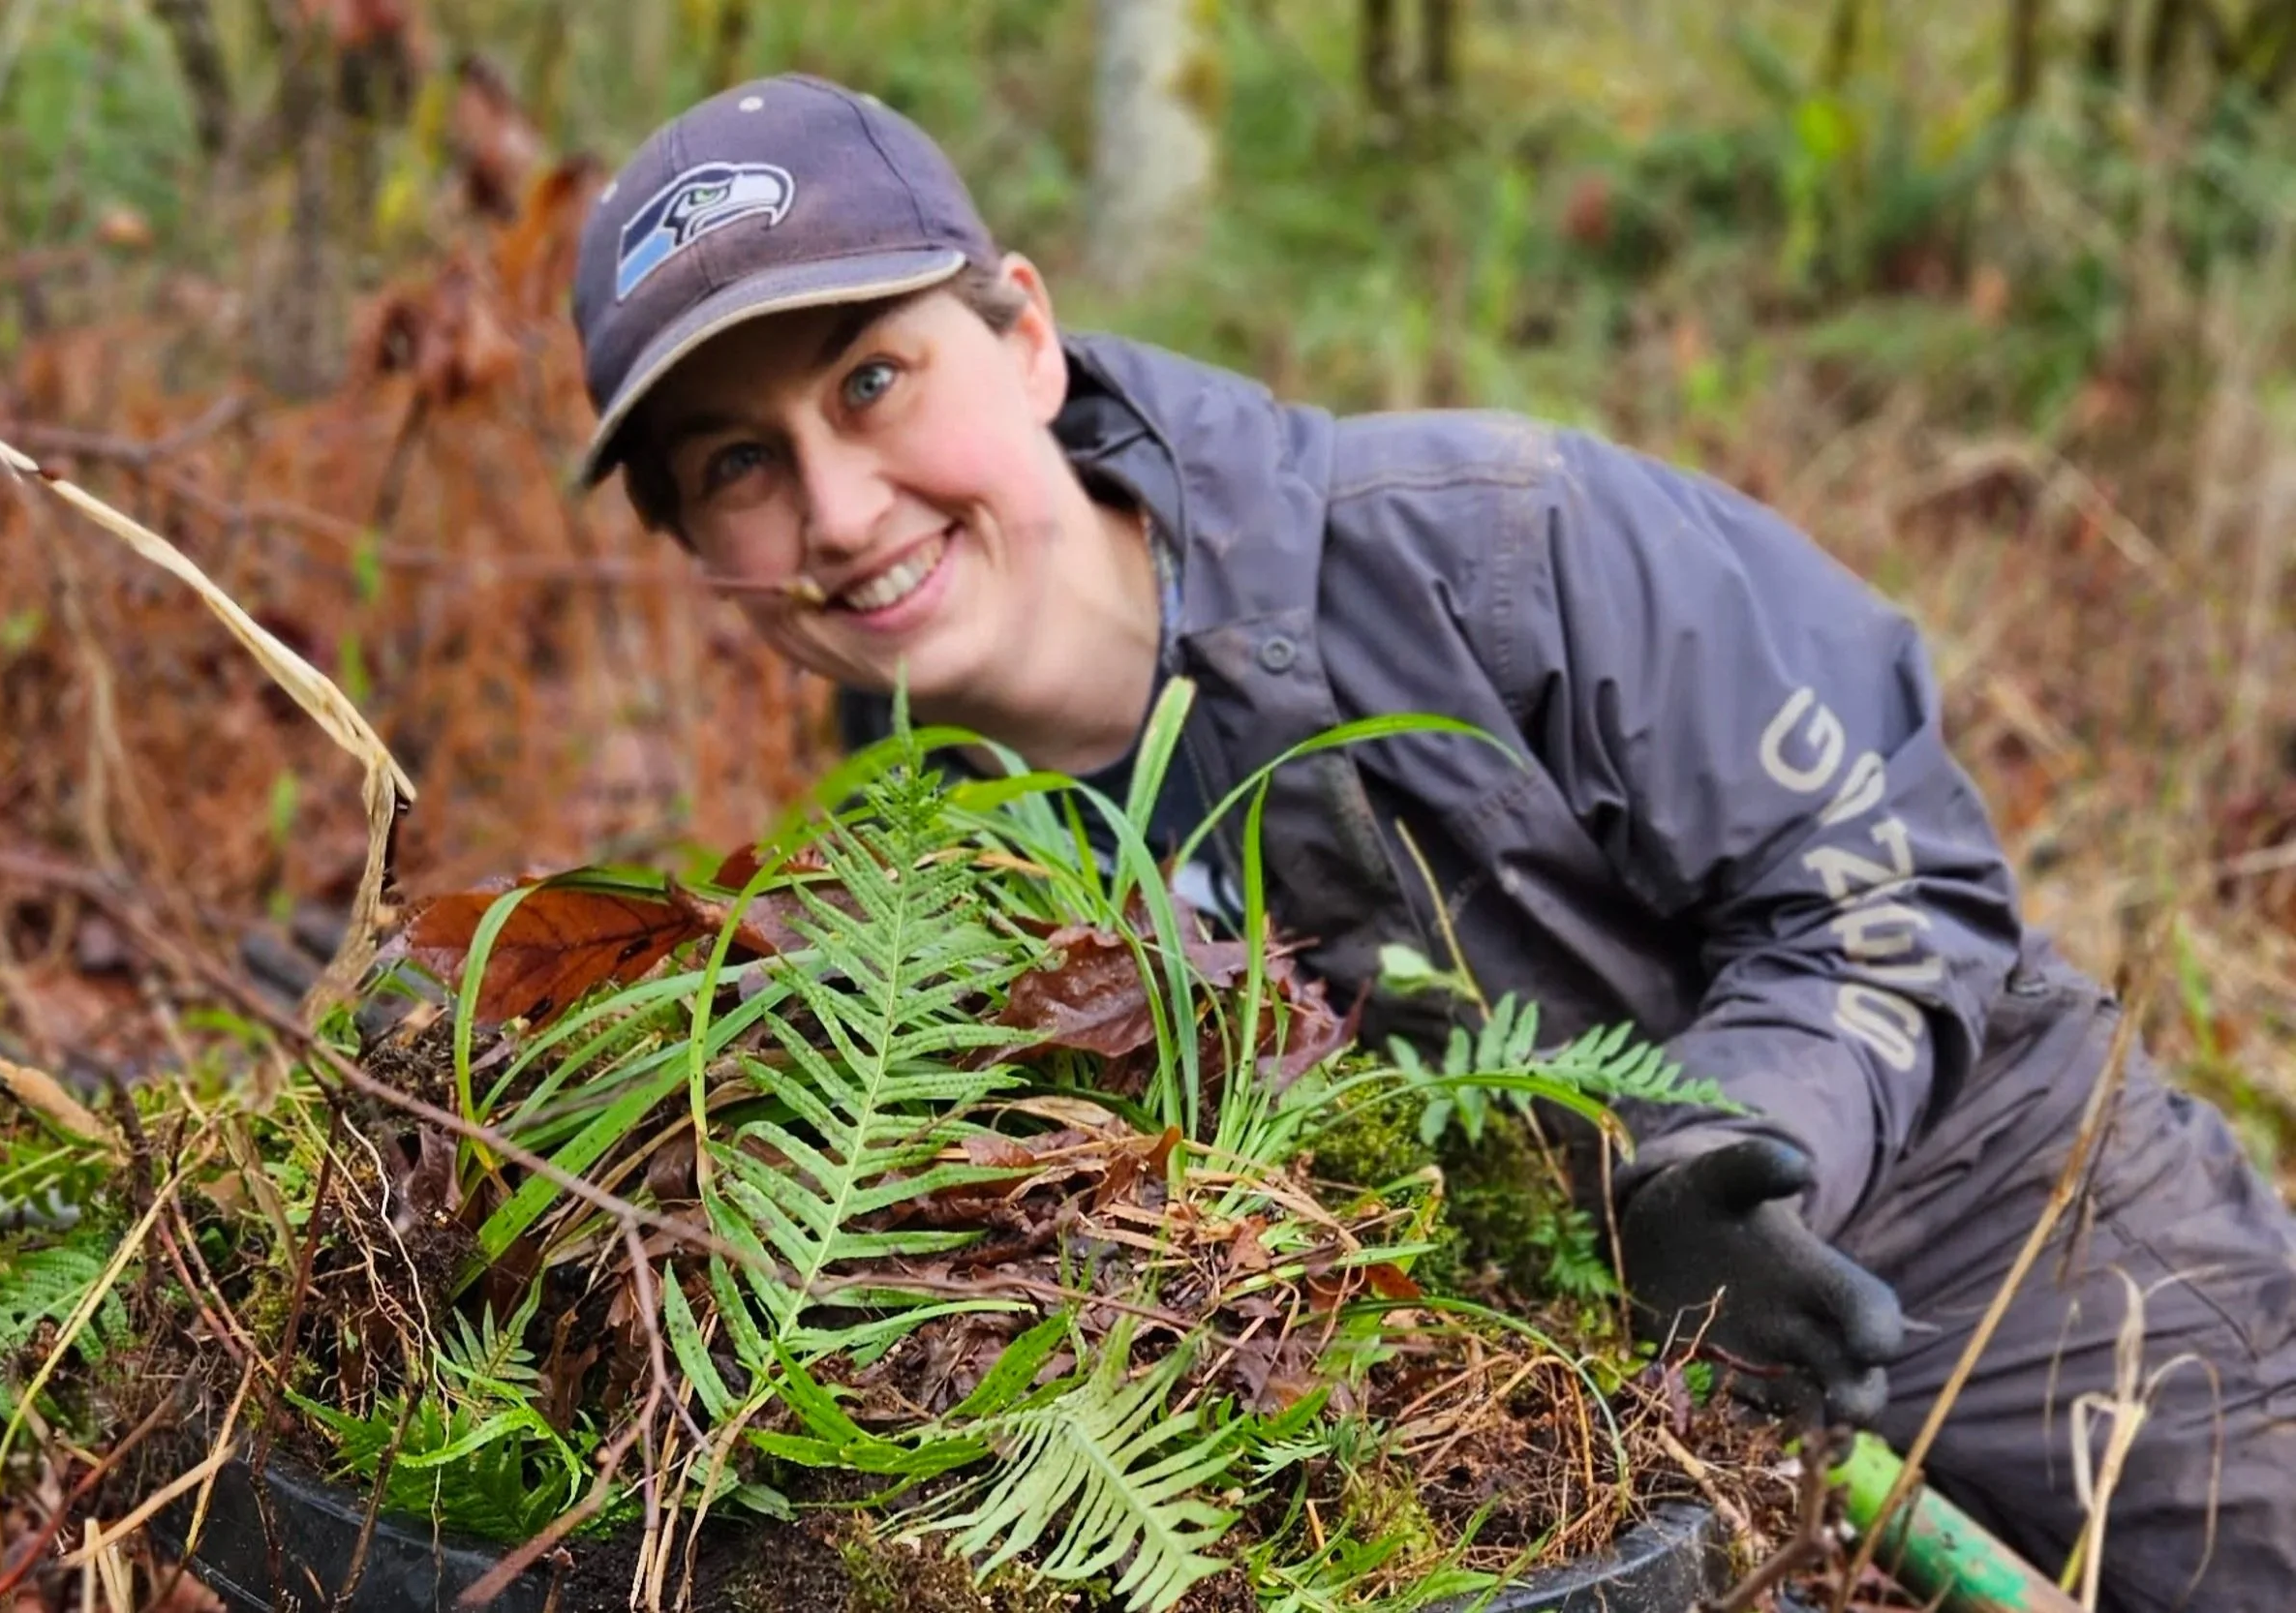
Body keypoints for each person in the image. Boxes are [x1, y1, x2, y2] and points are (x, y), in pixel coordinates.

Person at [566, 73, 2296, 1608]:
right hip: (1620, 1443)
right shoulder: (922, 870)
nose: (839, 508)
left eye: (874, 379)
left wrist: (1715, 1161)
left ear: (1025, 334)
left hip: (2025, 1249)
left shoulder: (1484, 549)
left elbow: (1889, 880)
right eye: (737, 463)